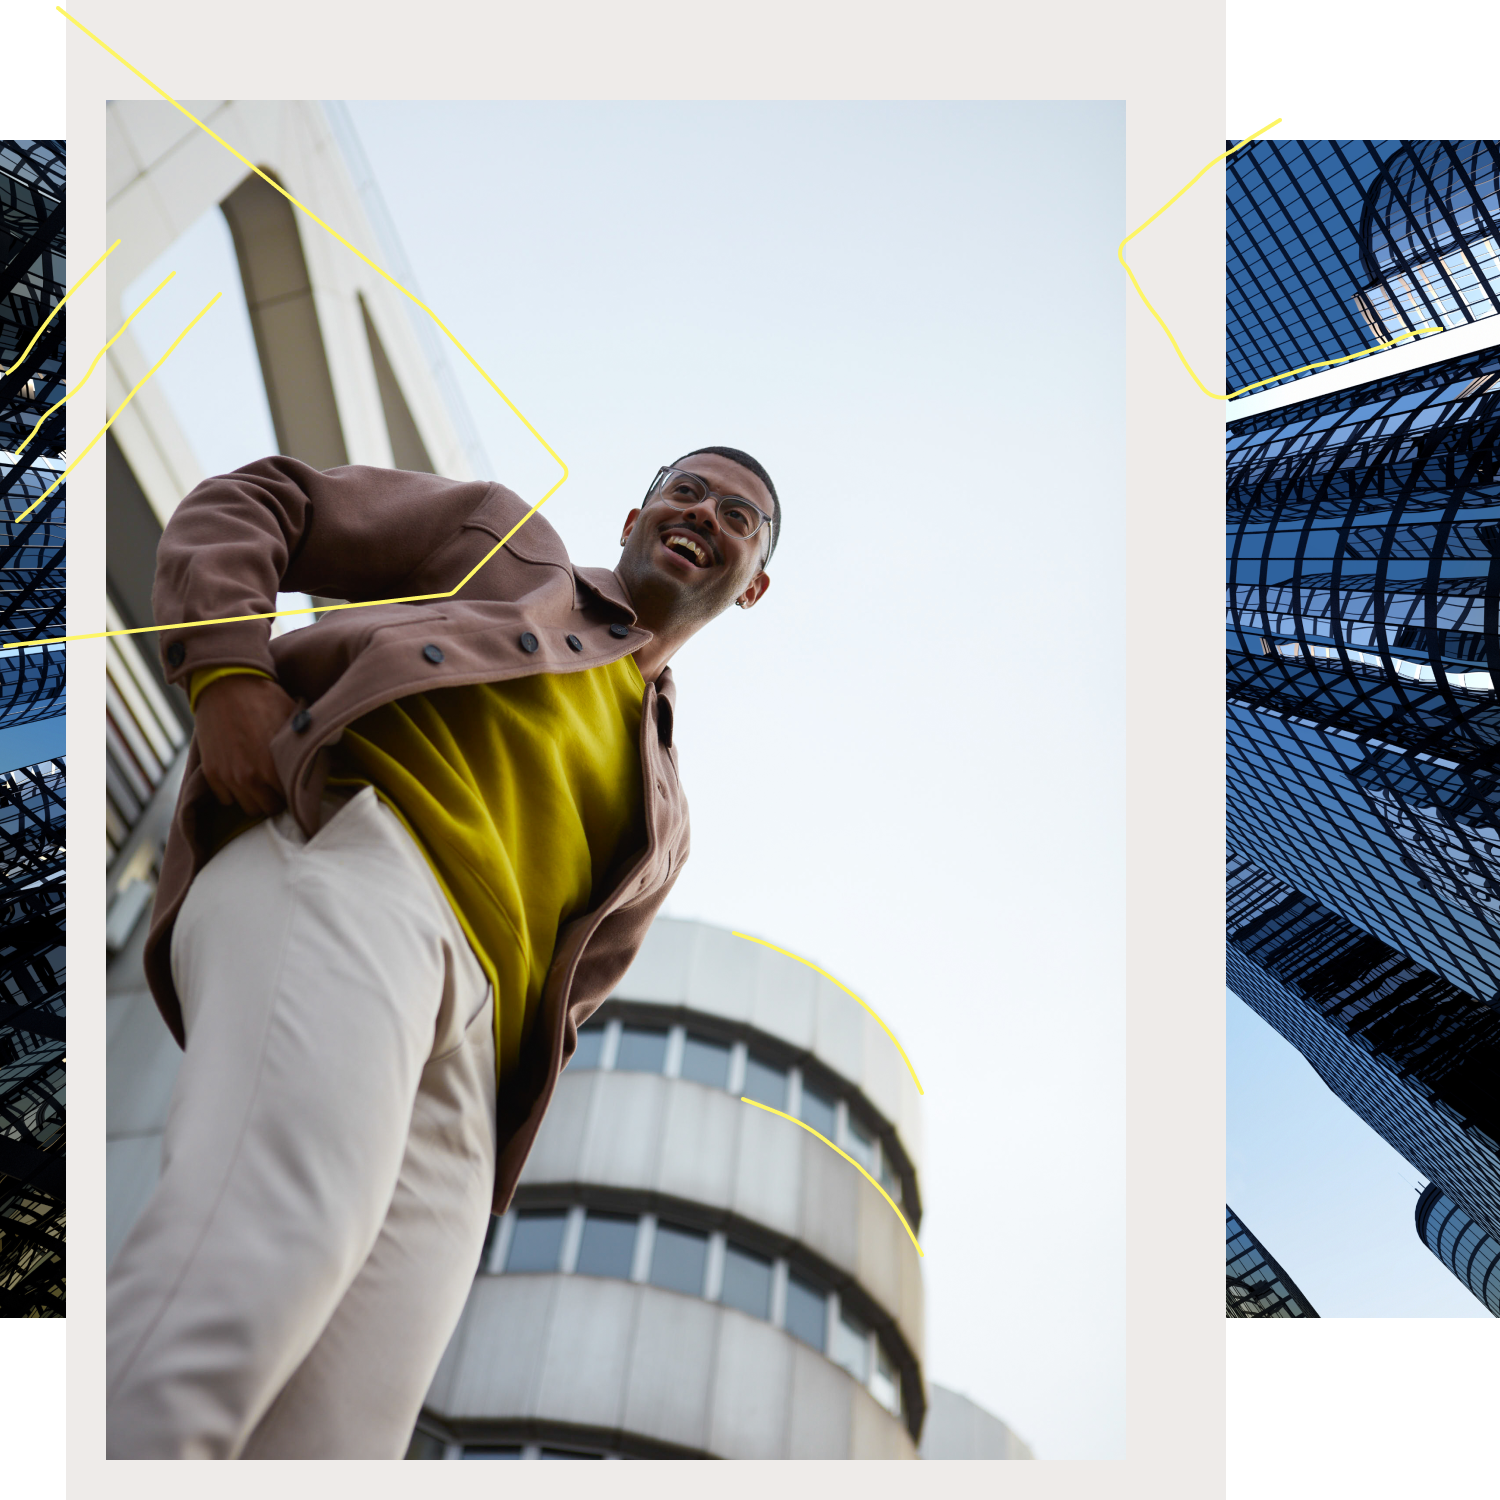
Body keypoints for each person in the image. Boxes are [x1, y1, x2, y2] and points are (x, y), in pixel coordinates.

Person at [105, 447, 778, 1459]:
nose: (704, 514)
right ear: (633, 516)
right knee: (254, 1259)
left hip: (472, 1057)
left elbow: (576, 991)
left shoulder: (665, 815)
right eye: (687, 491)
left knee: (346, 1431)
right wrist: (227, 672)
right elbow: (260, 499)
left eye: (739, 515)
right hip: (354, 869)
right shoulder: (506, 549)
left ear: (754, 583)